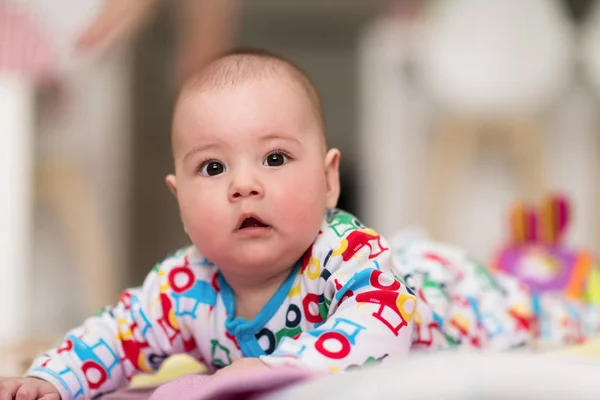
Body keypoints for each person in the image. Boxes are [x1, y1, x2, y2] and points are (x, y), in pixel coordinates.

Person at [0, 48, 596, 400]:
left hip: (445, 296)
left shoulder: (348, 255)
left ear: (330, 180)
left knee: (539, 313)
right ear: (181, 200)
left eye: (276, 158)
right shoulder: (183, 287)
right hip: (405, 276)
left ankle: (560, 284)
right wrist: (54, 379)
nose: (244, 184)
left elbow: (378, 333)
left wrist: (274, 369)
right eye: (213, 167)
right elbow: (117, 333)